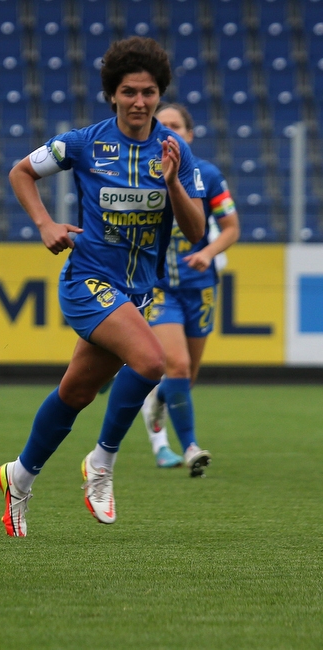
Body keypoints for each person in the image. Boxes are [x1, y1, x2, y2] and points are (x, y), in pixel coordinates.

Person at [0, 36, 206, 537]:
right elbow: (21, 172)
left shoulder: (177, 151)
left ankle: (18, 477)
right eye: (129, 91)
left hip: (135, 292)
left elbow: (197, 232)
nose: (139, 101)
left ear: (159, 94)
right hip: (87, 280)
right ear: (113, 93)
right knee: (153, 362)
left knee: (78, 390)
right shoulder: (85, 143)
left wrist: (174, 182)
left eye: (149, 92)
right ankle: (102, 464)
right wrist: (45, 223)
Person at [140, 103, 240, 475]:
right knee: (177, 364)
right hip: (160, 285)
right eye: (161, 126)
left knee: (187, 376)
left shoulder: (209, 175)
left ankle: (158, 401)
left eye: (175, 126)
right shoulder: (141, 174)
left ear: (190, 134)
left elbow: (231, 227)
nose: (168, 132)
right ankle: (191, 446)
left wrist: (209, 251)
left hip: (201, 288)